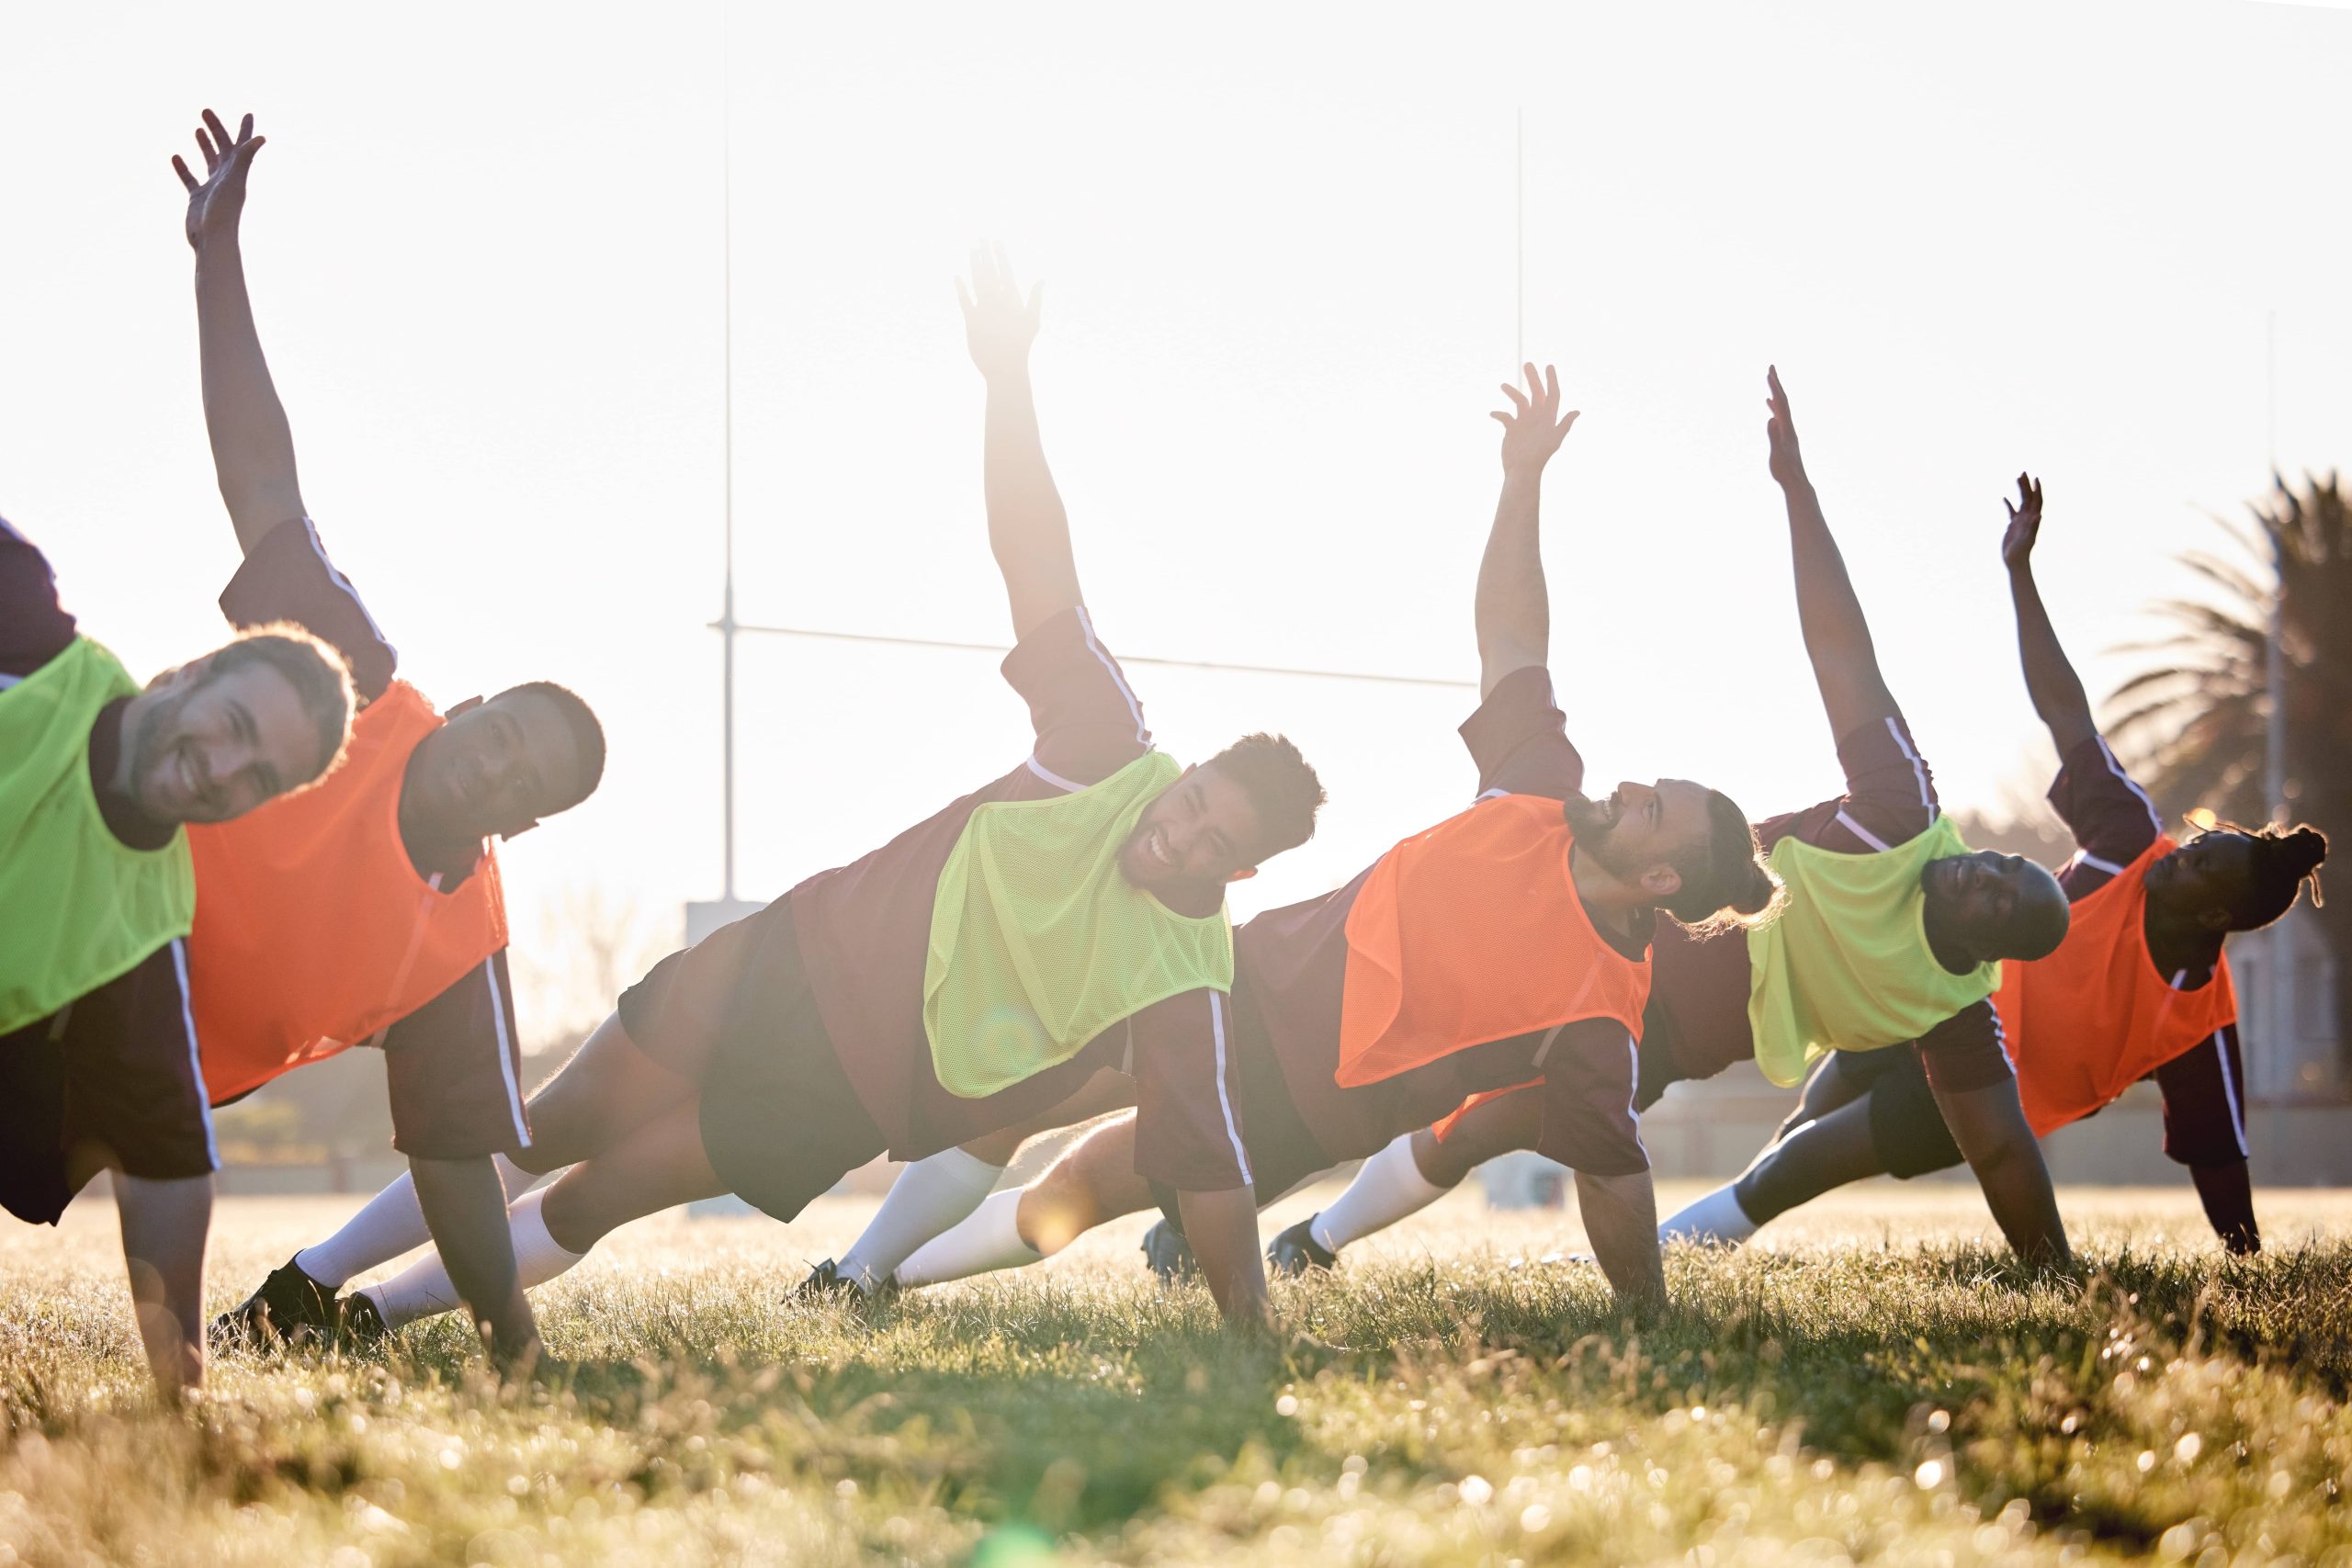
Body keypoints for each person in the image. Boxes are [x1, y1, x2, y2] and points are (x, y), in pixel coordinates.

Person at [271, 245, 1328, 1337]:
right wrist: (1004, 381)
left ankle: (372, 1323)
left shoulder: (1186, 976)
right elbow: (1037, 565)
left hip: (844, 1097)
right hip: (782, 962)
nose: (1180, 837)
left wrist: (1251, 1334)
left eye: (1213, 846)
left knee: (605, 1194)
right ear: (1187, 773)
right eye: (1194, 802)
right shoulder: (1108, 744)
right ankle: (304, 1282)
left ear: (1238, 872)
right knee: (547, 1125)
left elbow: (1208, 1161)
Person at [839, 362, 1781, 1313]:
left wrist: (1650, 1319)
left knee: (1073, 1193)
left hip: (1290, 1111)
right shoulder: (1538, 790)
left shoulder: (1595, 1022)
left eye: (1651, 809)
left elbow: (1612, 1179)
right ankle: (849, 1277)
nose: (1627, 791)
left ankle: (885, 1284)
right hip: (1229, 977)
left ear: (1659, 878)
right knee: (1020, 1088)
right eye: (1647, 786)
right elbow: (1512, 640)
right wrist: (1522, 477)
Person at [1266, 370, 2078, 1274]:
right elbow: (1841, 649)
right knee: (1445, 1100)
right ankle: (1303, 1232)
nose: (1982, 873)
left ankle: (1306, 1233)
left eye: (1998, 900)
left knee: (1486, 1125)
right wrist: (1797, 490)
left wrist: (2054, 1270)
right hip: (1623, 924)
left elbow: (2001, 1148)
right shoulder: (1904, 811)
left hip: (1671, 1035)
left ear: (1982, 950)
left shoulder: (1952, 1009)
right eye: (2001, 863)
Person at [152, 112, 606, 1366]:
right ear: (465, 712)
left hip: (141, 1050)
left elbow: (458, 1161)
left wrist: (512, 1337)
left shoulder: (459, 939)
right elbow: (262, 480)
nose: (501, 760)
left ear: (516, 825)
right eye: (506, 729)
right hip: (74, 888)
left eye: (529, 780)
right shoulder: (356, 676)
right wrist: (215, 256)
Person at [1645, 474, 2327, 1255]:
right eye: (2199, 843)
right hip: (1922, 990)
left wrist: (2244, 1258)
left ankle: (1671, 1243)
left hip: (1979, 1083)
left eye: (2202, 869)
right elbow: (2065, 710)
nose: (2180, 858)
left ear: (2215, 917)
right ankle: (1688, 1238)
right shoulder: (2134, 840)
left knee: (1800, 1162)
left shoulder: (2194, 1019)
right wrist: (2020, 575)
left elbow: (2218, 1150)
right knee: (1803, 1117)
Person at [0, 516, 354, 1399]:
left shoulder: (141, 932)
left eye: (259, 778)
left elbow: (169, 1164)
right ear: (190, 675)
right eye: (231, 724)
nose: (222, 769)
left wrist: (181, 1395)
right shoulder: (29, 631)